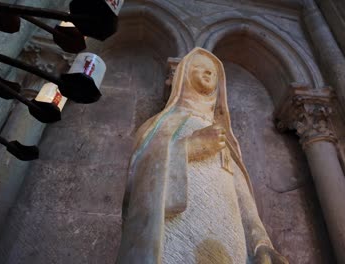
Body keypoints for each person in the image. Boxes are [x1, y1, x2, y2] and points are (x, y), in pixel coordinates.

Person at [117, 48, 288, 264]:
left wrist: (260, 243)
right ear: (183, 75)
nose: (207, 74)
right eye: (199, 68)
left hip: (229, 239)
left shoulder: (224, 136)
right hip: (177, 234)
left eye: (212, 72)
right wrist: (187, 148)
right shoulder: (162, 125)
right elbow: (138, 180)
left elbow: (241, 194)